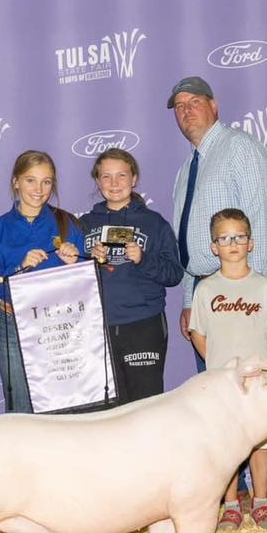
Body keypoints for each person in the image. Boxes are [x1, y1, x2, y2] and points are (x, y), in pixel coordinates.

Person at [167, 76, 267, 507]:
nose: (186, 111)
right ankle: (232, 488)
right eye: (179, 106)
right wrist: (189, 297)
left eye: (194, 102)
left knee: (256, 381)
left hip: (246, 281)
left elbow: (257, 212)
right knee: (222, 388)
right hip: (208, 284)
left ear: (215, 106)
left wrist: (250, 290)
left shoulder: (240, 147)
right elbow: (189, 240)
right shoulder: (188, 167)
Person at [188, 209, 267, 532]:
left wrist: (259, 366)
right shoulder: (204, 290)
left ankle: (260, 502)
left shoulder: (264, 287)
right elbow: (198, 334)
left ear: (251, 243)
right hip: (222, 382)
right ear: (214, 246)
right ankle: (230, 505)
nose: (233, 244)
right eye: (225, 238)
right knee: (227, 444)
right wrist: (220, 368)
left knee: (261, 442)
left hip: (258, 379)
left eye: (239, 237)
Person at [77, 148, 182, 404]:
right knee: (106, 411)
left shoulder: (154, 224)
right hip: (97, 328)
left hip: (143, 325)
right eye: (106, 177)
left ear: (134, 179)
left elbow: (174, 273)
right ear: (97, 181)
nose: (114, 184)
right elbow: (71, 278)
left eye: (121, 175)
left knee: (145, 407)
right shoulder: (84, 224)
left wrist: (143, 258)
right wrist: (85, 260)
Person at [0, 150, 82, 413]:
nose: (39, 189)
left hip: (57, 326)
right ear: (16, 181)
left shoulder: (67, 223)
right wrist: (19, 269)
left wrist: (75, 264)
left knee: (61, 408)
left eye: (46, 181)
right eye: (31, 180)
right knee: (19, 412)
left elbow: (86, 287)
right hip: (12, 324)